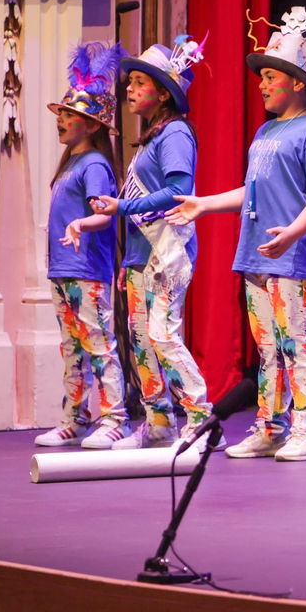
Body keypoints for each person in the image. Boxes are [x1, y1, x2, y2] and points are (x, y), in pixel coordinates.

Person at [167, 8, 306, 462]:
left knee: (297, 343)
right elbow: (253, 189)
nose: (261, 85)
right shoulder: (264, 132)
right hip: (256, 256)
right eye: (261, 76)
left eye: (270, 76)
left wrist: (291, 234)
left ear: (297, 82)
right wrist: (204, 203)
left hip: (291, 256)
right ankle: (272, 424)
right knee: (267, 349)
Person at [89, 36, 215, 449]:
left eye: (140, 82)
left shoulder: (175, 133)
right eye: (131, 82)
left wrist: (121, 207)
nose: (129, 88)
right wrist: (128, 262)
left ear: (163, 93)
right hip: (144, 255)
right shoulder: (151, 137)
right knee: (142, 340)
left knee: (161, 335)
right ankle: (159, 422)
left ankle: (201, 418)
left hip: (168, 251)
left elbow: (179, 192)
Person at [36, 41, 131, 449]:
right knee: (73, 348)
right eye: (63, 113)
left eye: (72, 115)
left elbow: (105, 213)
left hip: (86, 268)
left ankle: (115, 418)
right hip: (63, 269)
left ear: (92, 125)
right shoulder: (71, 163)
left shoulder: (94, 164)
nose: (63, 120)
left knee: (98, 344)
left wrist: (80, 223)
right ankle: (75, 417)